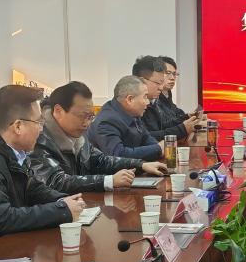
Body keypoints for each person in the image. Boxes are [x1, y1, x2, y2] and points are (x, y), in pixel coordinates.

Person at [0, 84, 84, 238]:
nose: (41, 129)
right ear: (18, 127)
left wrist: (63, 200)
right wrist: (60, 211)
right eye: (38, 122)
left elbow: (31, 188)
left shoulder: (14, 150)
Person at [32, 81, 167, 193]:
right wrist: (108, 181)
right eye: (82, 116)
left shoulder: (77, 135)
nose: (87, 123)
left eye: (90, 116)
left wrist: (141, 165)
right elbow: (57, 181)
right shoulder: (37, 139)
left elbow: (101, 160)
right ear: (58, 111)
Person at [89, 75, 166, 161]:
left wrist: (160, 148)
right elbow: (118, 155)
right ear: (130, 99)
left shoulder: (132, 112)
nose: (148, 102)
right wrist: (158, 149)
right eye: (145, 97)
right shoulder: (107, 121)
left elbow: (145, 138)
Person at [141, 55, 203, 142]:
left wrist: (186, 117)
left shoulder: (162, 95)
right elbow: (144, 138)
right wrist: (182, 129)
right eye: (167, 73)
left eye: (174, 74)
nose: (172, 78)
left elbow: (164, 123)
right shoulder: (146, 101)